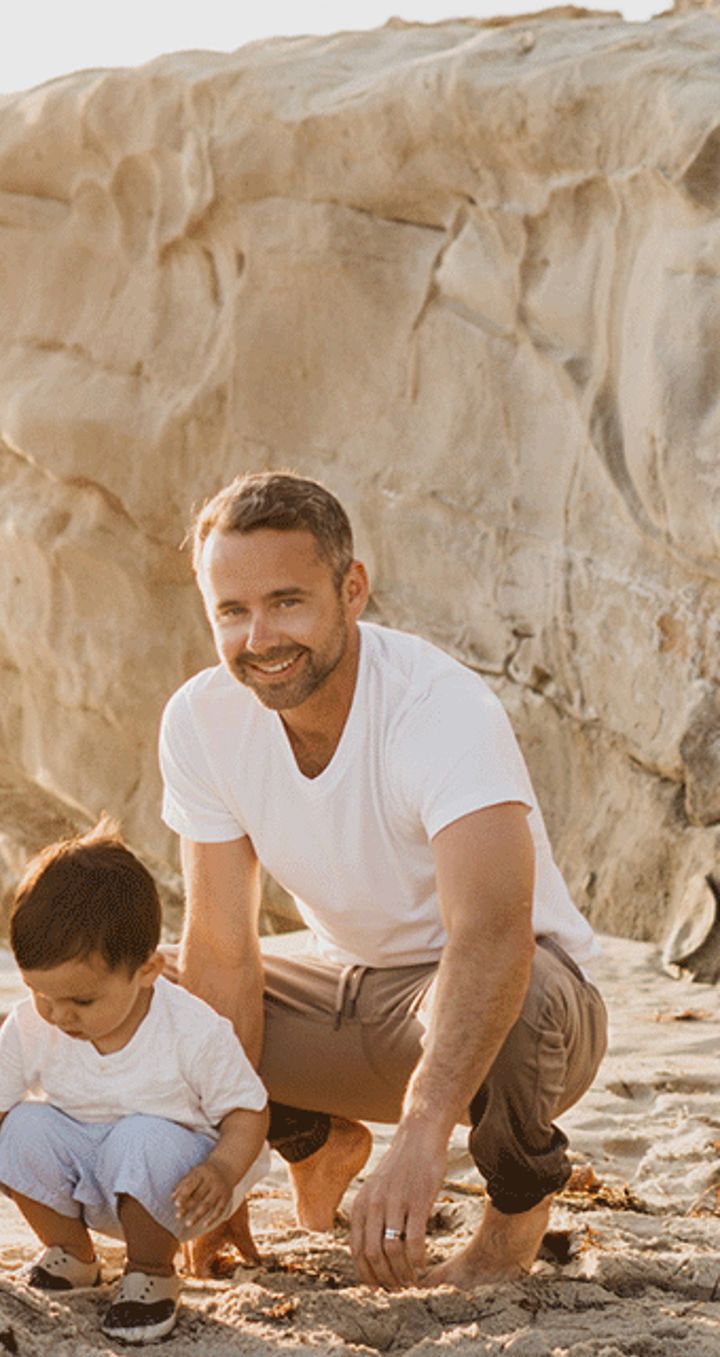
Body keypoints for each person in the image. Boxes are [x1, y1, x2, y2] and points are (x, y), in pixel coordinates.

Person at [159, 471, 608, 1290]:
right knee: (156, 987)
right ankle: (317, 1140)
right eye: (232, 611)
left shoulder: (440, 710)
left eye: (287, 601)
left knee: (526, 987)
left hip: (522, 1010)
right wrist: (220, 1175)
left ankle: (507, 1236)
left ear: (351, 589)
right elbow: (224, 946)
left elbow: (492, 936)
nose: (259, 637)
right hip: (353, 994)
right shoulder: (201, 720)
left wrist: (424, 1130)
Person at [0, 822, 269, 1343]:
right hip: (89, 1176)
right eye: (41, 994)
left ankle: (151, 1272)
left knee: (140, 1136)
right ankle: (73, 1254)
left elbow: (247, 1112)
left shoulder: (190, 1029)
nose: (59, 1016)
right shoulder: (33, 1024)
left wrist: (221, 1169)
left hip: (176, 1188)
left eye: (82, 1001)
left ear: (147, 971)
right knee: (22, 1125)